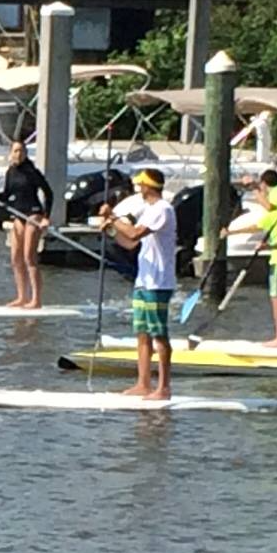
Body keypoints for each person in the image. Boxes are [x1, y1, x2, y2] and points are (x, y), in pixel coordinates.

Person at [100, 168, 177, 400]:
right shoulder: (150, 210)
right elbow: (130, 244)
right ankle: (143, 383)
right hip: (144, 280)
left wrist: (113, 217)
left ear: (148, 186)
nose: (138, 189)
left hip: (159, 282)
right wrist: (111, 230)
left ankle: (163, 387)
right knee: (142, 333)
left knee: (159, 334)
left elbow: (134, 234)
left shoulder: (163, 209)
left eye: (140, 185)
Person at [222, 170, 277, 347]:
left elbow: (268, 206)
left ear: (266, 184)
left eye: (262, 189)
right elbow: (258, 225)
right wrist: (231, 232)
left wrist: (254, 188)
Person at [0, 141, 53, 309]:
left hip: (33, 214)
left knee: (29, 257)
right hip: (18, 216)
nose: (18, 154)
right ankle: (22, 297)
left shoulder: (32, 172)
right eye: (15, 151)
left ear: (26, 153)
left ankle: (36, 300)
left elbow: (49, 193)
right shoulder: (10, 172)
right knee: (15, 258)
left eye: (21, 151)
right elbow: (6, 196)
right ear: (11, 153)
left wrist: (45, 218)